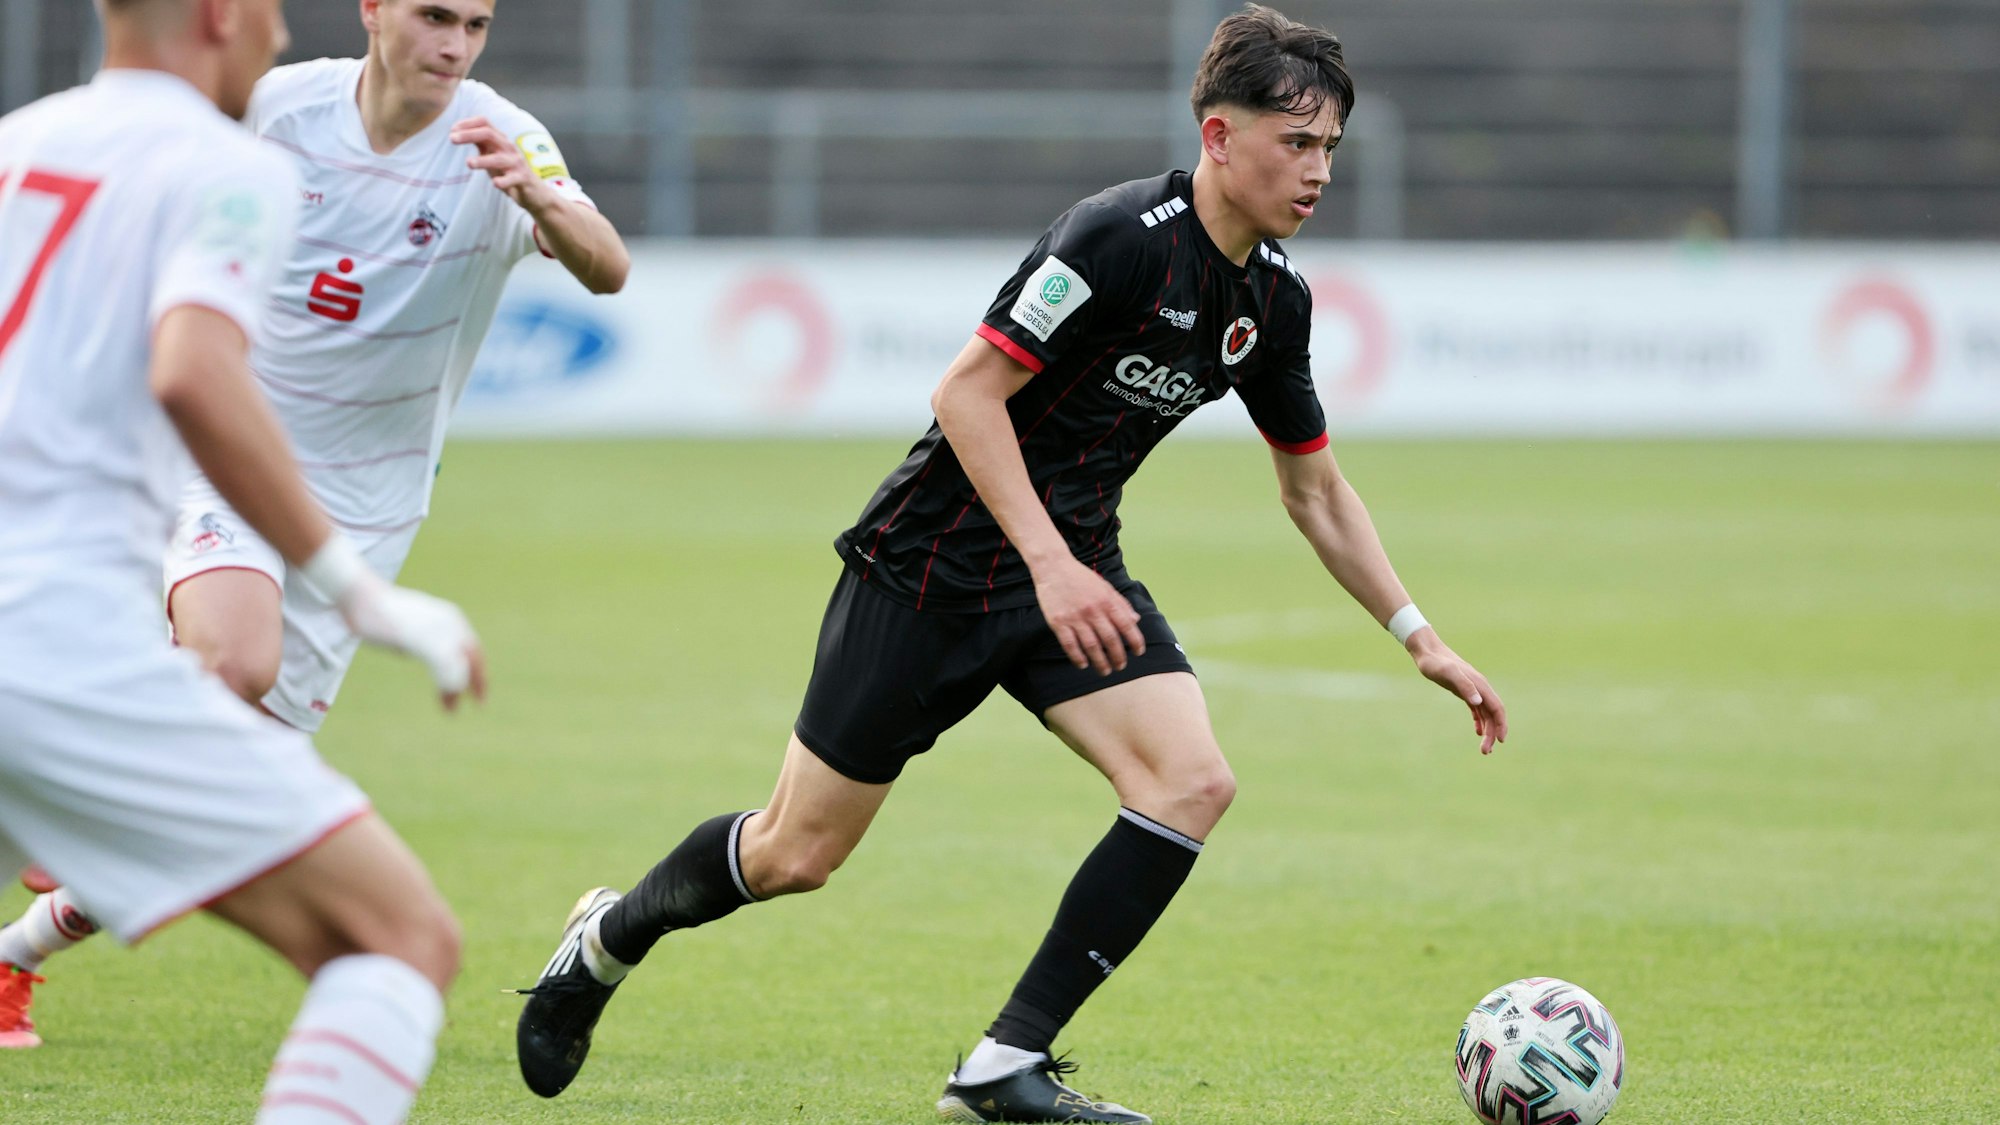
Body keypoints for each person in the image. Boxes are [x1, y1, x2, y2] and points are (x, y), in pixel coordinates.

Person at [514, 6, 1506, 1123]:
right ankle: (605, 939)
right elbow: (964, 394)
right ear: (1220, 137)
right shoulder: (1117, 235)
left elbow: (1312, 487)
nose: (1317, 170)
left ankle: (1001, 1065)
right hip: (928, 568)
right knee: (796, 853)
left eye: (1329, 147)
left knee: (1190, 782)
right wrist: (1046, 562)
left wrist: (1417, 635)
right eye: (1298, 143)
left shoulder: (1272, 299)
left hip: (1067, 576)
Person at [0, 0, 628, 1043]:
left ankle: (16, 953)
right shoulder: (277, 110)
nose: (454, 46)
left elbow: (607, 266)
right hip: (226, 459)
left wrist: (539, 203)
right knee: (231, 665)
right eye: (434, 17)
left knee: (216, 793)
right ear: (374, 11)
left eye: (475, 26)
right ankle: (100, 738)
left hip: (369, 505)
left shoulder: (501, 136)